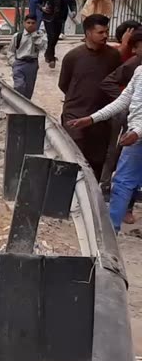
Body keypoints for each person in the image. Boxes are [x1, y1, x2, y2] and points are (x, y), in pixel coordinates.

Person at [68, 36, 142, 230]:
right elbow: (123, 100)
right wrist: (92, 118)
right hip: (135, 138)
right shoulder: (139, 72)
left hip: (136, 135)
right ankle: (111, 232)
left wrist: (138, 132)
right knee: (123, 182)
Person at [59, 13, 122, 178]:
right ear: (88, 33)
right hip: (75, 113)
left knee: (97, 158)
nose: (105, 36)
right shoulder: (73, 57)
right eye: (100, 32)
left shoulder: (113, 56)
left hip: (101, 116)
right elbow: (63, 84)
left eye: (106, 32)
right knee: (73, 156)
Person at [37, 0, 75, 68]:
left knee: (55, 37)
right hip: (48, 17)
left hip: (60, 18)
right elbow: (37, 2)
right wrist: (42, 8)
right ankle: (51, 58)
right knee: (51, 36)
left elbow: (72, 3)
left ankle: (47, 53)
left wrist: (73, 11)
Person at [11, 14, 45, 99]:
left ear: (36, 24)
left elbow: (42, 47)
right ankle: (16, 104)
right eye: (28, 22)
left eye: (33, 23)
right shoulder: (17, 36)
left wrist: (34, 36)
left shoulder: (40, 36)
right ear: (24, 23)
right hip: (19, 62)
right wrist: (13, 62)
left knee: (29, 89)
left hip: (32, 64)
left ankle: (25, 108)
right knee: (19, 86)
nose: (30, 25)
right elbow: (10, 50)